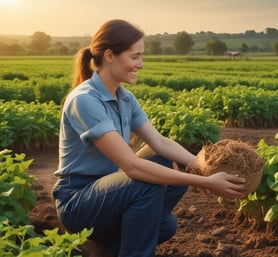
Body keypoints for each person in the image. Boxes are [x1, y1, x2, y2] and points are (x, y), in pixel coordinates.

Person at [52, 19, 247, 257]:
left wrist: (199, 166)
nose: (140, 64)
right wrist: (205, 182)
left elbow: (159, 142)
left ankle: (102, 248)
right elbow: (132, 167)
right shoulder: (85, 99)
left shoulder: (125, 98)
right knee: (145, 180)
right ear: (110, 55)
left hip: (109, 195)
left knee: (165, 222)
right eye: (135, 57)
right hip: (79, 202)